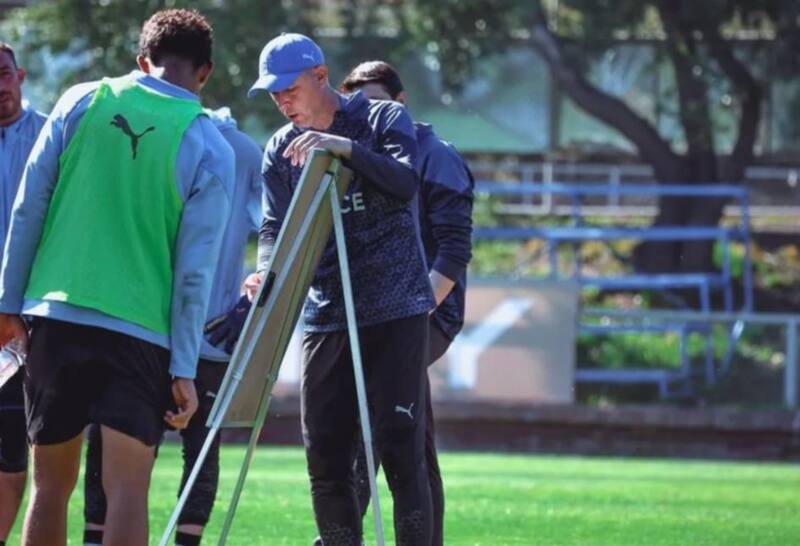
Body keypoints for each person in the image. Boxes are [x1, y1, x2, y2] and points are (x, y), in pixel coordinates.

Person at [0, 9, 234, 546]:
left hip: (57, 321)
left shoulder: (82, 100)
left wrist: (8, 306)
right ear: (206, 72)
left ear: (141, 60)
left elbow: (26, 208)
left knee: (50, 489)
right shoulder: (210, 145)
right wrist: (183, 365)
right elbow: (195, 274)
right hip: (142, 336)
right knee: (128, 489)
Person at [246, 33, 435, 545]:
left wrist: (343, 149)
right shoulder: (279, 149)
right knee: (325, 454)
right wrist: (266, 268)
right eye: (273, 94)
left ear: (321, 76)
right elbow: (272, 226)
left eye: (289, 88)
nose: (282, 101)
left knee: (400, 449)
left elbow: (403, 182)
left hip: (396, 309)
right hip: (326, 313)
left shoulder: (381, 120)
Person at [81, 106, 263, 546]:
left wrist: (256, 286)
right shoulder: (238, 149)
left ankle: (98, 538)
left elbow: (273, 228)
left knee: (120, 443)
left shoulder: (236, 152)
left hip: (165, 331)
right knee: (194, 451)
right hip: (171, 332)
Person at [339, 60, 474, 546]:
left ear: (400, 103)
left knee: (372, 420)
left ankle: (339, 534)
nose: (368, 114)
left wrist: (415, 313)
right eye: (359, 104)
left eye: (376, 102)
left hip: (427, 313)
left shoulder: (436, 155)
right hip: (375, 312)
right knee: (412, 439)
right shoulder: (359, 155)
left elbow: (455, 250)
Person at [0, 41, 47, 546]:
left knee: (18, 451)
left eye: (4, 73)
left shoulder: (52, 134)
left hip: (33, 321)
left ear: (21, 75)